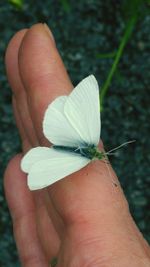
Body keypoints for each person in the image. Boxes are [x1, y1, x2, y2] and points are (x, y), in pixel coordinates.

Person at [4, 23, 150, 267]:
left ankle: (47, 154)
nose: (101, 156)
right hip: (70, 138)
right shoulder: (91, 150)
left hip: (66, 131)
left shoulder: (91, 147)